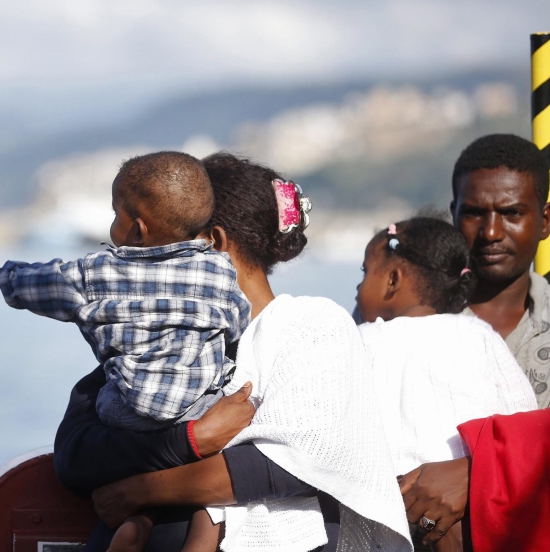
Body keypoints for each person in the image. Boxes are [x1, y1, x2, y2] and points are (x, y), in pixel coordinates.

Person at [67, 153, 412, 552]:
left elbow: (294, 461)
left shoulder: (311, 327)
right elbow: (75, 454)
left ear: (212, 241)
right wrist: (190, 440)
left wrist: (140, 491)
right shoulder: (150, 330)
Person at [0, 151, 251, 550]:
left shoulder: (98, 273)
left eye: (116, 214)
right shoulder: (219, 271)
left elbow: (47, 283)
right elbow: (237, 318)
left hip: (127, 410)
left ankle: (136, 520)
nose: (111, 224)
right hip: (195, 411)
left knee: (101, 403)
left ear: (137, 230)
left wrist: (0, 277)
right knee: (215, 409)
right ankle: (178, 523)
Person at [397, 134, 550, 548]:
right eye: (475, 213)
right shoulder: (402, 317)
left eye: (512, 212)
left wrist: (474, 471)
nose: (492, 232)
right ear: (453, 214)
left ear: (547, 218)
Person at [355, 216, 537, 551]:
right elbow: (523, 418)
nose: (358, 287)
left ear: (393, 280)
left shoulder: (363, 341)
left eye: (365, 272)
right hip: (478, 513)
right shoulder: (482, 334)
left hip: (392, 522)